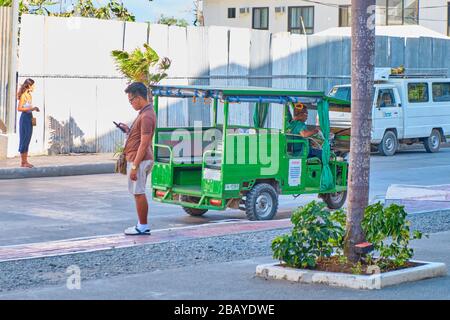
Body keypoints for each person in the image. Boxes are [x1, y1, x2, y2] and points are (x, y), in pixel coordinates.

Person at [119, 82, 156, 236]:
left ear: (139, 97)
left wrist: (134, 166)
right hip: (138, 158)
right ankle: (142, 224)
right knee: (137, 192)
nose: (131, 103)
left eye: (131, 100)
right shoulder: (144, 113)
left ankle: (143, 226)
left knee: (138, 192)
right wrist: (128, 130)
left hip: (139, 160)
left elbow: (144, 143)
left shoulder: (146, 115)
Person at [17, 78, 40, 168]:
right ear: (29, 85)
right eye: (33, 85)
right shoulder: (23, 96)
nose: (34, 87)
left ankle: (25, 161)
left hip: (29, 117)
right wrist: (31, 108)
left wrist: (34, 108)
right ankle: (23, 162)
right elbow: (19, 109)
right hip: (24, 118)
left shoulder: (29, 95)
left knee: (28, 139)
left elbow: (28, 107)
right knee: (24, 139)